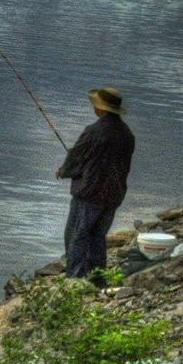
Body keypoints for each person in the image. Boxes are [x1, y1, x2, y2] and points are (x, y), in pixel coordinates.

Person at [56, 87, 135, 282]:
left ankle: (75, 280)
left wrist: (64, 171)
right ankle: (97, 279)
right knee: (98, 237)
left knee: (77, 236)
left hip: (90, 194)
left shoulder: (93, 132)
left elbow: (77, 157)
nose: (94, 109)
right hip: (114, 194)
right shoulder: (127, 134)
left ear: (102, 109)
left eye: (96, 106)